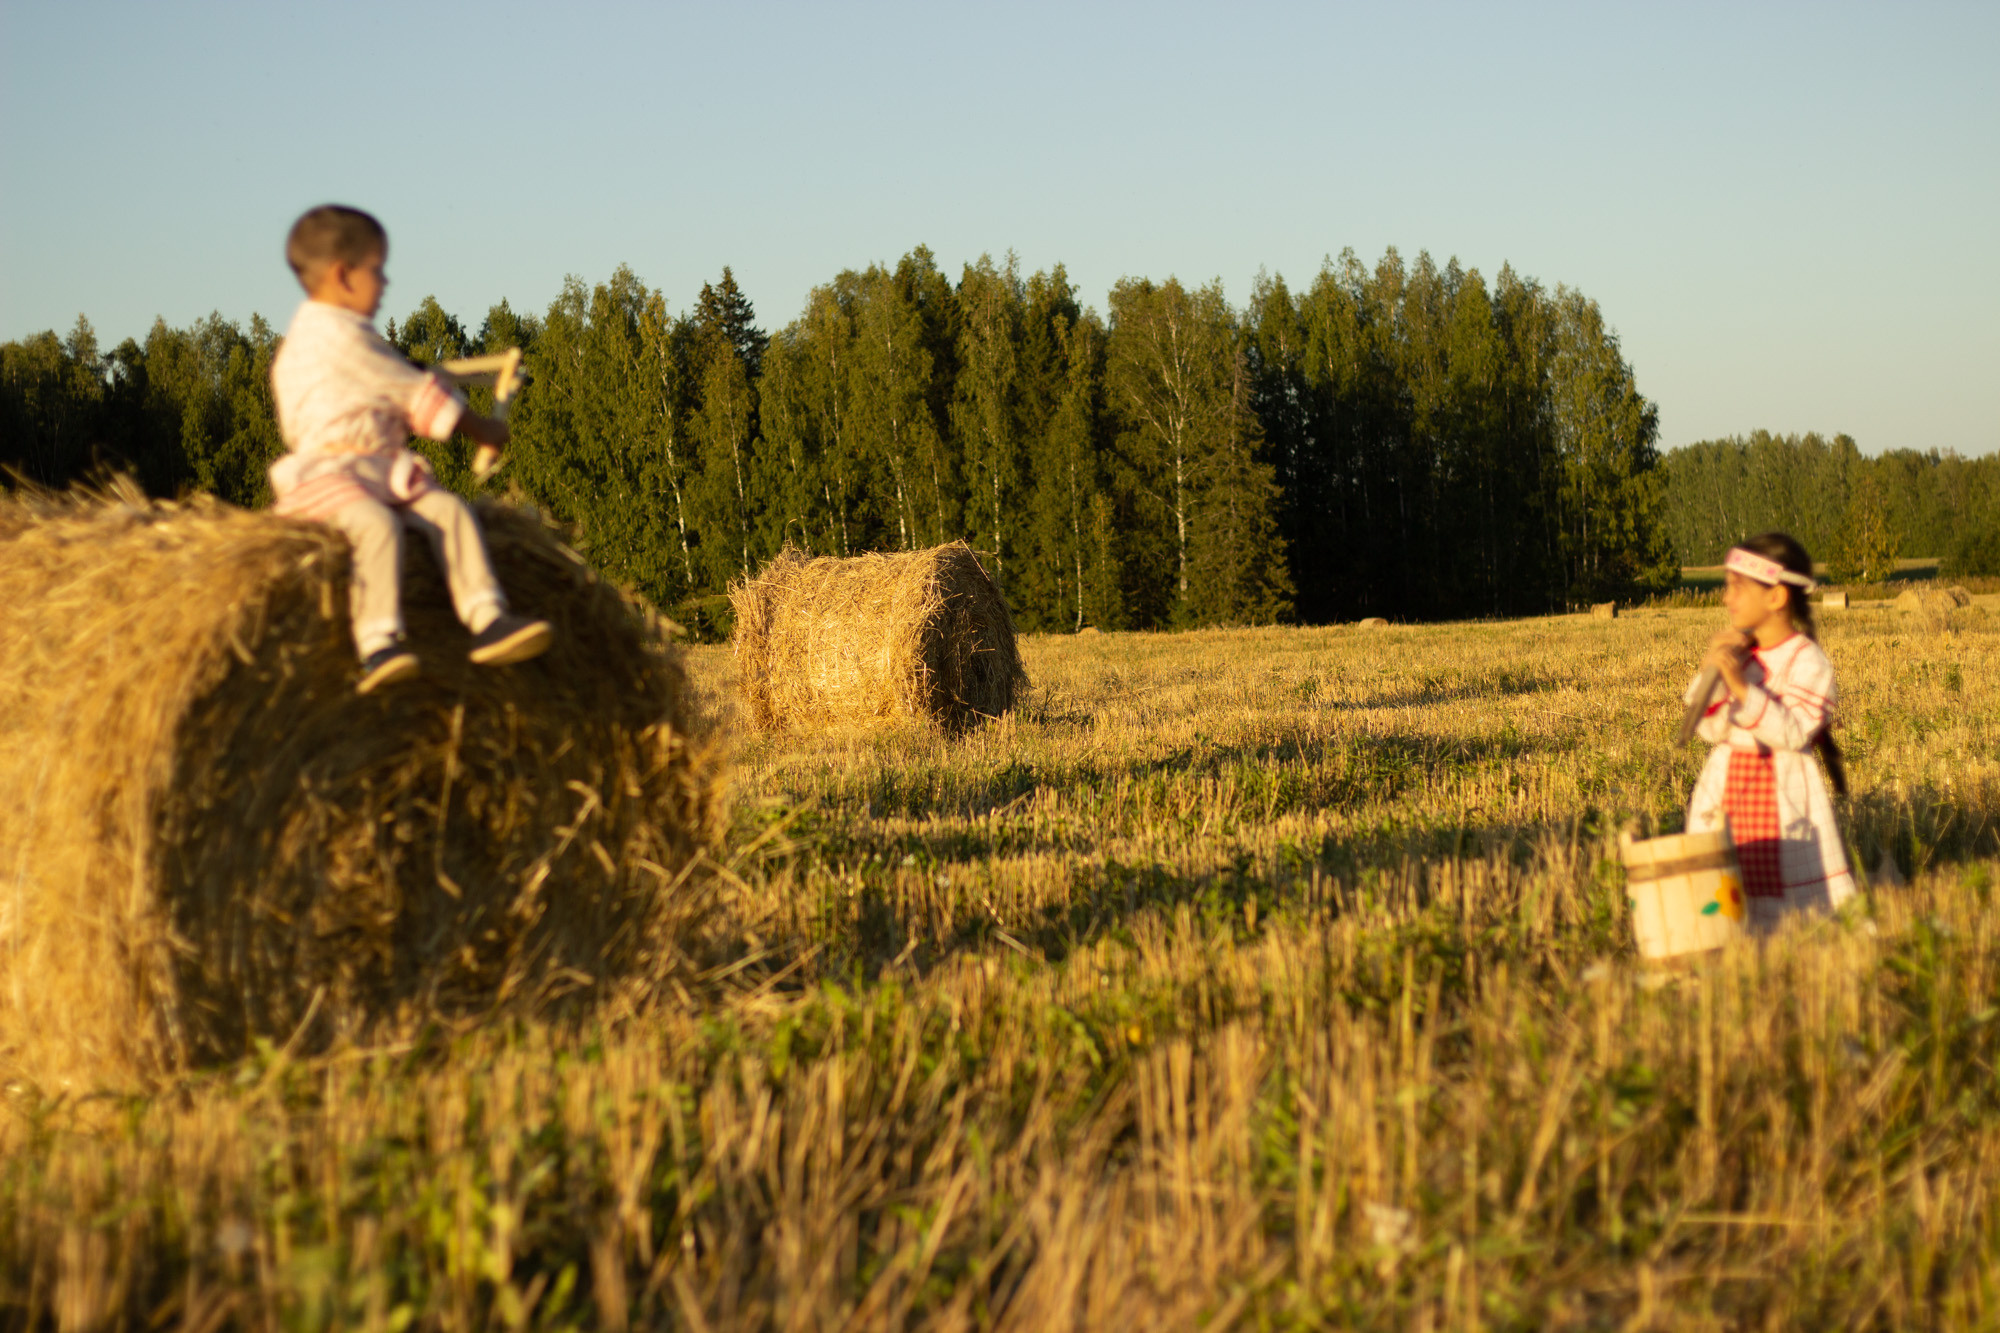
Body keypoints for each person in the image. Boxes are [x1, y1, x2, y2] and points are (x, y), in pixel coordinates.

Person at [269, 204, 552, 693]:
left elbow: (391, 390)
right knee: (374, 527)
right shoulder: (335, 339)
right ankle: (377, 643)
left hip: (377, 470)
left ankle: (487, 617)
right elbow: (408, 392)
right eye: (378, 270)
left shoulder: (339, 340)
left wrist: (416, 385)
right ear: (343, 275)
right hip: (333, 475)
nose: (386, 282)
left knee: (447, 510)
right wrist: (482, 429)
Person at [1684, 532, 1856, 929]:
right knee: (1724, 879)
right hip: (1729, 786)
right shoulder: (1740, 656)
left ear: (1776, 597)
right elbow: (1708, 727)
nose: (1726, 598)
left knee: (1791, 901)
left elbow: (1794, 733)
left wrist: (1742, 688)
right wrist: (1713, 670)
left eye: (1736, 588)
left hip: (1783, 789)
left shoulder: (1808, 661)